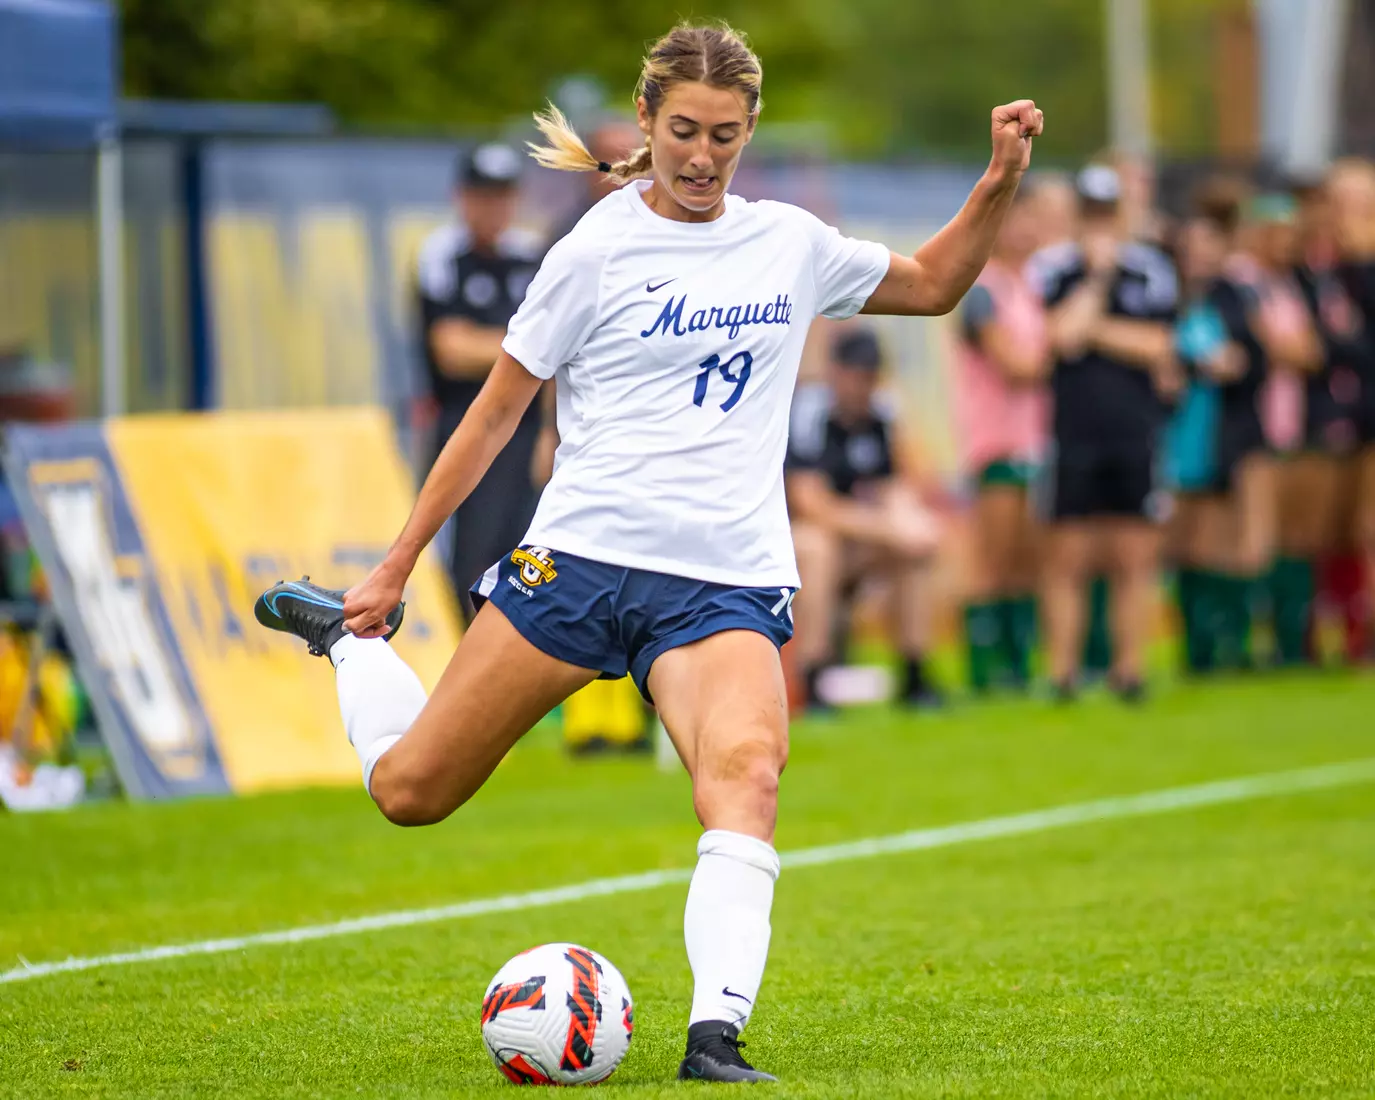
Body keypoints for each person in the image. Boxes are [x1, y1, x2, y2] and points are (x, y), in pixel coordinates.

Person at [255, 22, 1042, 1083]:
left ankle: (714, 1037)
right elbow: (491, 416)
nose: (702, 156)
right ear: (645, 123)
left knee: (747, 773)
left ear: (750, 130)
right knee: (411, 790)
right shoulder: (592, 251)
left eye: (723, 134)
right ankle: (342, 645)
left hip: (721, 580)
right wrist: (395, 565)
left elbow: (939, 282)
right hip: (579, 561)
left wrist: (996, 180)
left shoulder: (790, 242)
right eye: (682, 131)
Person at [1032, 164, 1177, 701]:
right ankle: (1064, 672)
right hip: (1072, 431)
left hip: (1133, 430)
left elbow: (1159, 346)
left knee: (1133, 555)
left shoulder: (1152, 269)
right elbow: (1061, 339)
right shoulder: (1054, 269)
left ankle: (1130, 669)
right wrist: (1097, 281)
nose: (1098, 223)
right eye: (1089, 213)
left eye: (1105, 213)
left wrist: (1095, 326)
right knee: (1067, 557)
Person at [415, 142, 545, 618]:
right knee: (469, 558)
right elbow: (451, 349)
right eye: (483, 195)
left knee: (527, 557)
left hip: (527, 428)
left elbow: (560, 349)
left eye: (502, 195)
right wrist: (528, 347)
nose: (493, 207)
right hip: (465, 421)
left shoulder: (532, 255)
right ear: (462, 196)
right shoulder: (444, 254)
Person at [786, 327, 942, 711]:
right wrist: (886, 527)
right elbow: (811, 504)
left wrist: (906, 521)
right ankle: (814, 677)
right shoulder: (809, 410)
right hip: (793, 541)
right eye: (856, 376)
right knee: (820, 549)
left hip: (853, 535)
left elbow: (897, 484)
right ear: (836, 373)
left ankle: (915, 672)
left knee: (914, 547)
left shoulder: (883, 412)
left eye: (870, 377)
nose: (863, 387)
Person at [954, 187, 1049, 693]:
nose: (1027, 230)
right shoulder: (982, 288)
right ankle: (984, 672)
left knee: (1024, 558)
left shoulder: (1032, 284)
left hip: (1032, 440)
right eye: (1017, 220)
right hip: (994, 442)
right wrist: (1069, 345)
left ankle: (1017, 665)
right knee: (992, 558)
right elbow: (1014, 364)